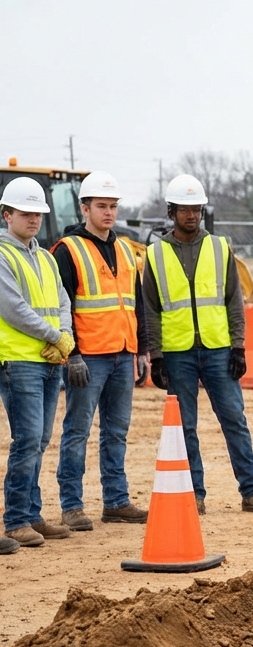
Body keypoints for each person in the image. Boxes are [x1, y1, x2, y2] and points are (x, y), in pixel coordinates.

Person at [142, 174, 253, 515]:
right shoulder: (154, 255)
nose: (191, 215)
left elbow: (235, 301)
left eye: (196, 209)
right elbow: (150, 309)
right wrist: (156, 356)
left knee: (234, 418)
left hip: (219, 350)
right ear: (171, 212)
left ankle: (252, 491)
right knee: (184, 426)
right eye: (184, 209)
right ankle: (194, 495)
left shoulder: (220, 248)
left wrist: (239, 346)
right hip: (177, 353)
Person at [51, 172, 149, 530]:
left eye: (113, 206)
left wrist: (142, 350)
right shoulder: (67, 249)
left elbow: (136, 304)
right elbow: (61, 305)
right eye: (101, 206)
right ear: (85, 208)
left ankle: (116, 502)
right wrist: (71, 353)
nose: (108, 213)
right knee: (77, 431)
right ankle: (72, 506)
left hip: (124, 353)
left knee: (116, 431)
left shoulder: (124, 248)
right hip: (88, 358)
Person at [0, 177, 77, 552]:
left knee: (41, 440)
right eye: (26, 213)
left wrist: (64, 336)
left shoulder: (45, 257)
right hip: (19, 360)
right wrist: (55, 336)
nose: (33, 219)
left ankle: (31, 514)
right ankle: (15, 520)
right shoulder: (2, 255)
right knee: (27, 439)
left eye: (38, 214)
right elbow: (14, 310)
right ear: (7, 215)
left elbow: (63, 301)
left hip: (49, 360)